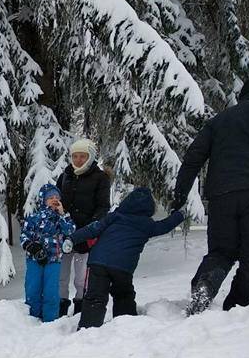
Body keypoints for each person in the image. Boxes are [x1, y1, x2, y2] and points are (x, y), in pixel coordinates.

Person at [172, 75, 249, 314]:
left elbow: (194, 156)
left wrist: (181, 192)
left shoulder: (220, 121)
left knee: (220, 251)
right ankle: (239, 309)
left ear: (241, 96)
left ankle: (205, 284)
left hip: (222, 196)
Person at [67, 187, 184, 329]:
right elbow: (165, 226)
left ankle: (87, 328)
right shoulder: (147, 224)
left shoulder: (114, 217)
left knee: (95, 297)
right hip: (122, 267)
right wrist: (179, 215)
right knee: (123, 294)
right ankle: (125, 327)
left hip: (98, 262)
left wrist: (73, 239)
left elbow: (93, 229)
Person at [56, 138, 112, 317]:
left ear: (91, 157)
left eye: (83, 156)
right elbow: (56, 201)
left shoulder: (100, 177)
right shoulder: (65, 175)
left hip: (85, 236)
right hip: (64, 234)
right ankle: (60, 309)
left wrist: (92, 228)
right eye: (75, 156)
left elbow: (103, 207)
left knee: (81, 279)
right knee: (61, 277)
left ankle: (80, 309)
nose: (78, 160)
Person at [20, 183, 76, 323]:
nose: (54, 199)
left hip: (54, 260)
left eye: (56, 197)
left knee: (51, 292)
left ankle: (50, 322)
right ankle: (33, 320)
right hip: (34, 260)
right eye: (50, 197)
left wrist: (63, 214)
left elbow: (70, 231)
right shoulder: (33, 217)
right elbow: (24, 236)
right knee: (33, 289)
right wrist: (32, 247)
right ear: (43, 200)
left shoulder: (61, 218)